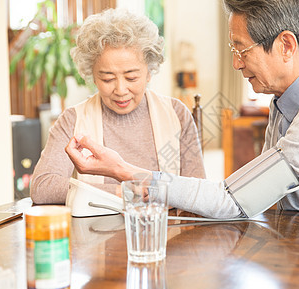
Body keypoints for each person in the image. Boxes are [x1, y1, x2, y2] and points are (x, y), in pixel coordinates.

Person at [65, 0, 299, 217]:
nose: (235, 63)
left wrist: (123, 170)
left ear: (286, 45)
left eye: (242, 50)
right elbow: (250, 193)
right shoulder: (288, 97)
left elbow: (235, 199)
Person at [31, 8, 205, 204]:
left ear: (149, 72)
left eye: (132, 77)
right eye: (107, 78)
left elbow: (197, 192)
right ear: (92, 76)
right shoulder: (73, 119)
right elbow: (42, 187)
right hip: (94, 233)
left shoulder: (176, 114)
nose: (121, 89)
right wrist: (117, 192)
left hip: (164, 231)